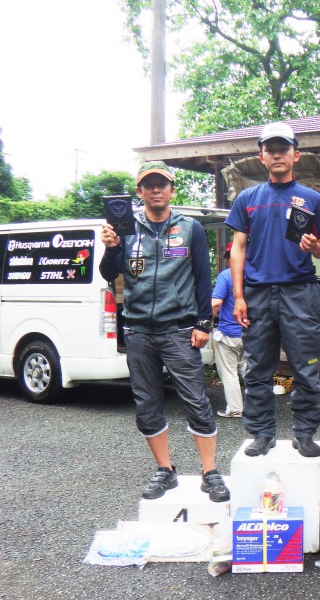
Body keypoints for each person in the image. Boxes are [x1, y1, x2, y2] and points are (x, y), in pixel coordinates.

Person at [99, 161, 229, 503]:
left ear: (172, 190)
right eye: (149, 184)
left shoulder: (190, 228)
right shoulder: (126, 228)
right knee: (146, 403)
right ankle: (165, 470)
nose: (156, 189)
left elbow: (204, 277)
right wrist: (111, 247)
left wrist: (204, 323)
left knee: (196, 400)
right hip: (139, 329)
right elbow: (108, 274)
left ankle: (210, 472)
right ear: (139, 191)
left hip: (179, 329)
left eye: (162, 184)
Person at [226, 122, 320, 458]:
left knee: (306, 368)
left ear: (295, 155)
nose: (276, 154)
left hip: (300, 292)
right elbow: (237, 249)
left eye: (283, 149)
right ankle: (262, 433)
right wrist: (239, 297)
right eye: (270, 149)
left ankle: (305, 434)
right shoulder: (247, 199)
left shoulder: (313, 199)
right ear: (262, 156)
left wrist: (314, 245)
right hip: (256, 294)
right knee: (257, 369)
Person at [212, 241, 246, 418]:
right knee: (251, 372)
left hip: (229, 334)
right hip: (252, 333)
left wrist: (205, 321)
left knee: (229, 373)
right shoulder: (255, 275)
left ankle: (235, 409)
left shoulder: (226, 276)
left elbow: (216, 303)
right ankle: (259, 408)